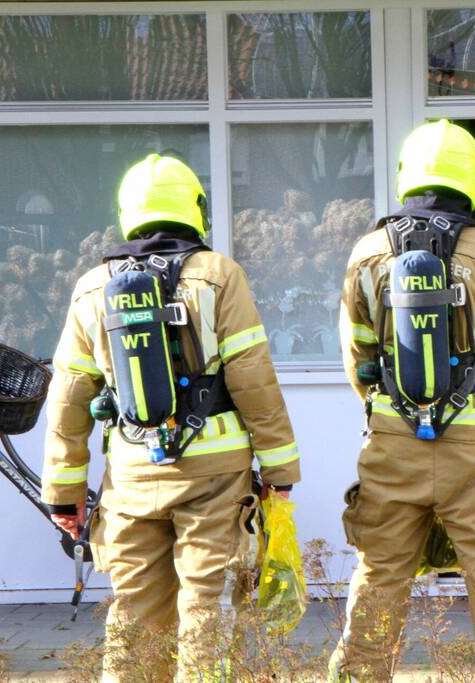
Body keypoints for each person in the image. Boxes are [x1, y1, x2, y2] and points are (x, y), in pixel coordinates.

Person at [43, 153, 300, 680]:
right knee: (204, 609)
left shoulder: (93, 287)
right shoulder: (219, 275)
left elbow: (69, 398)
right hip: (214, 478)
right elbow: (254, 380)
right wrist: (279, 473)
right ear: (195, 209)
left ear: (127, 212)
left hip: (133, 481)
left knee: (134, 615)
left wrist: (63, 492)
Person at [333, 119, 475, 682]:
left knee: (381, 574)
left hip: (392, 441)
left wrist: (388, 411)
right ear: (473, 181)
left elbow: (356, 356)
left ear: (407, 175)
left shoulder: (367, 251)